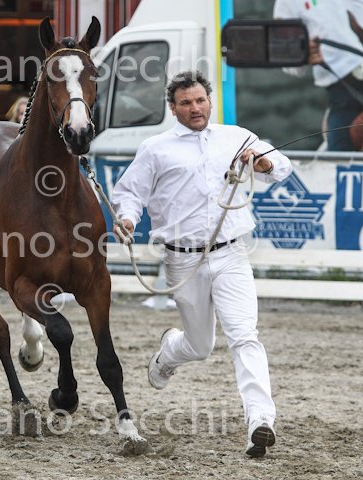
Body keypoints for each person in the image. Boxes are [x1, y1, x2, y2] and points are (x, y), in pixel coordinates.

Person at [112, 70, 293, 458]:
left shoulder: (236, 137)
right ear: (173, 108)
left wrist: (261, 163)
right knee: (200, 345)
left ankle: (260, 421)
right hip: (182, 259)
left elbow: (282, 166)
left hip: (231, 254)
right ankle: (168, 352)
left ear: (210, 101)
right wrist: (127, 218)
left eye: (200, 100)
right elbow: (130, 192)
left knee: (244, 335)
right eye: (186, 103)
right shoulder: (155, 148)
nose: (195, 108)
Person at [273, 0, 363, 151]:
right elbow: (283, 55)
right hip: (344, 93)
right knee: (339, 157)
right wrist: (302, 52)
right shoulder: (287, 3)